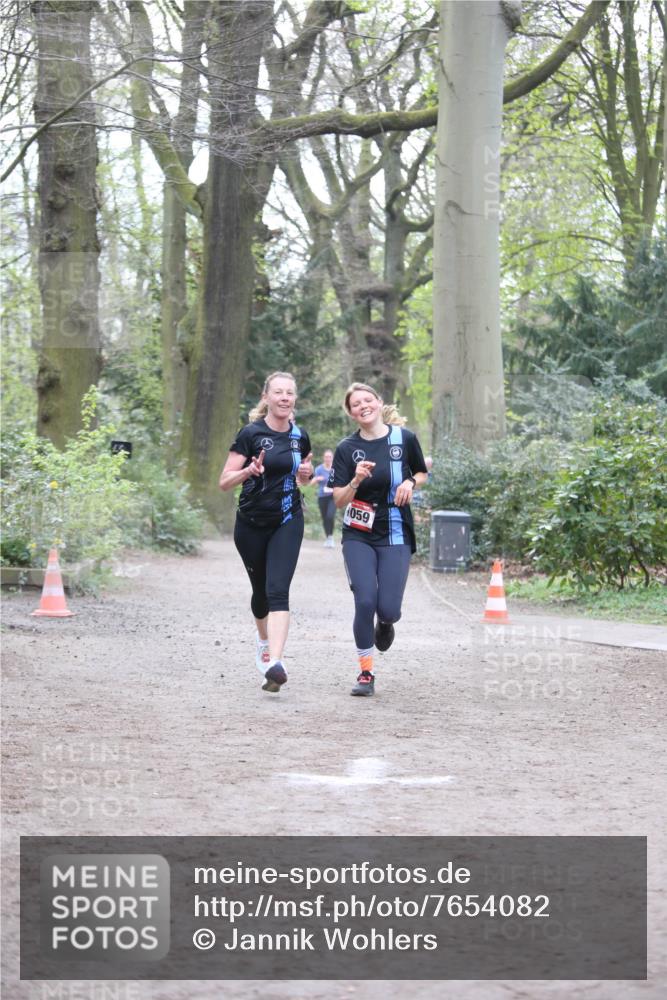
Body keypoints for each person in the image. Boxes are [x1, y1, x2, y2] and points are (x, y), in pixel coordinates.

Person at [331, 382, 428, 697]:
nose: (363, 406)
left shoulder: (404, 439)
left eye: (367, 400)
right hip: (358, 534)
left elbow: (422, 472)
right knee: (364, 600)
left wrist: (411, 483)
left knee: (388, 609)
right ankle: (365, 673)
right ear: (351, 413)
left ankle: (385, 624)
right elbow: (339, 500)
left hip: (396, 530)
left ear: (379, 402)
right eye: (355, 404)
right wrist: (356, 479)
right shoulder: (346, 449)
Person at [219, 372, 313, 693]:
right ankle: (263, 641)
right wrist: (248, 470)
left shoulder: (300, 436)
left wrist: (306, 473)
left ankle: (276, 663)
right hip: (250, 524)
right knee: (260, 595)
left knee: (278, 591)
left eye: (289, 393)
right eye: (278, 392)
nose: (284, 397)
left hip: (288, 519)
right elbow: (224, 481)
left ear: (294, 399)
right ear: (266, 397)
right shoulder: (250, 434)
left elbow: (304, 473)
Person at [313, 449, 336, 547]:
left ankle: (331, 537)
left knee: (330, 516)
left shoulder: (335, 469)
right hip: (322, 496)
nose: (328, 458)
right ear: (323, 458)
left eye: (329, 457)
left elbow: (341, 481)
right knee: (324, 518)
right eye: (326, 457)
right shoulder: (319, 469)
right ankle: (328, 538)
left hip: (333, 496)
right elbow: (312, 483)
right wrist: (317, 479)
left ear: (332, 458)